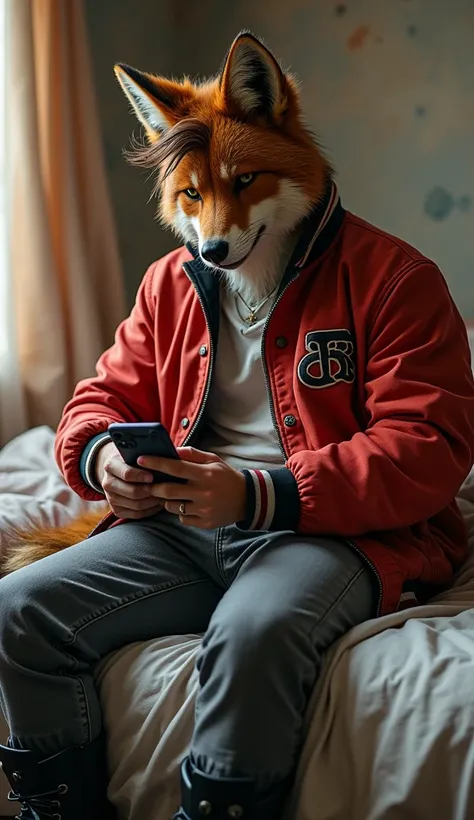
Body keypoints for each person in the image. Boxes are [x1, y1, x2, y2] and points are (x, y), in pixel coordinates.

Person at [1, 31, 473, 820]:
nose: (216, 228)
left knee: (250, 636)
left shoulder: (395, 280)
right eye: (194, 198)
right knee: (20, 613)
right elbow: (96, 403)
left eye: (243, 184)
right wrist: (104, 460)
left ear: (285, 149)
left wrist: (259, 495)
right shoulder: (171, 286)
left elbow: (426, 452)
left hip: (331, 534)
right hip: (182, 526)